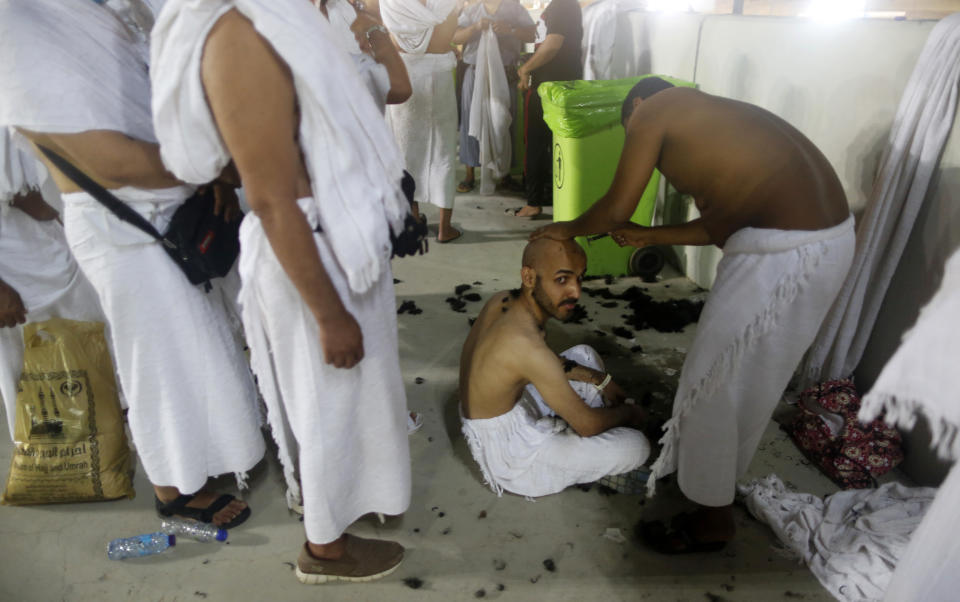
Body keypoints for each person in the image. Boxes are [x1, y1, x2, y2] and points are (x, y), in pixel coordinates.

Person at [531, 78, 855, 552]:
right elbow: (724, 222)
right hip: (819, 243)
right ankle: (714, 486)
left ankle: (712, 519)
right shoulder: (717, 120)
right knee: (740, 379)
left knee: (713, 383)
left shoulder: (653, 110)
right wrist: (650, 237)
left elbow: (617, 206)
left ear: (636, 105)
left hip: (791, 254)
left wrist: (566, 230)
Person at [151, 0, 412, 584]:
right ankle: (326, 550)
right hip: (310, 257)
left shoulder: (279, 17)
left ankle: (349, 506)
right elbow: (271, 199)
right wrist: (329, 314)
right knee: (324, 409)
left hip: (336, 241)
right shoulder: (239, 34)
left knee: (349, 402)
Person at [0, 0, 265, 529]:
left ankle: (206, 457)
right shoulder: (17, 23)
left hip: (168, 206)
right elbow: (108, 159)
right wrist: (231, 165)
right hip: (122, 222)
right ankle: (172, 487)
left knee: (196, 346)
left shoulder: (100, 9)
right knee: (158, 364)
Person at [459, 237, 650, 497]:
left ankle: (580, 443)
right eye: (561, 280)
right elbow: (588, 425)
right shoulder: (528, 347)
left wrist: (601, 380)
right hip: (510, 455)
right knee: (637, 447)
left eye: (579, 278)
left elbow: (539, 364)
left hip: (505, 407)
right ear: (528, 277)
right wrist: (629, 414)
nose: (575, 292)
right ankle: (580, 455)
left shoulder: (502, 300)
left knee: (584, 354)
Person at [0, 128, 109, 440]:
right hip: (13, 271)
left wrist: (46, 213)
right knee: (32, 376)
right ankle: (61, 469)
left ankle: (96, 456)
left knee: (88, 358)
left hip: (34, 244)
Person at [381, 0, 463, 242]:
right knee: (444, 151)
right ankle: (444, 229)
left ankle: (414, 219)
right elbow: (445, 38)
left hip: (404, 76)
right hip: (438, 78)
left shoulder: (391, 3)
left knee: (406, 151)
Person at [452, 0, 535, 193]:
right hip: (475, 73)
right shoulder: (471, 11)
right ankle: (470, 173)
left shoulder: (515, 9)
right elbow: (456, 37)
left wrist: (511, 30)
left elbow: (531, 34)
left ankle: (503, 173)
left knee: (504, 121)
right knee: (471, 121)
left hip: (506, 74)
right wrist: (475, 27)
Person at [513, 0, 582, 218]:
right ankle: (549, 195)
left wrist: (525, 69)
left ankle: (534, 202)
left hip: (552, 87)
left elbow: (553, 45)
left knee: (537, 143)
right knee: (550, 145)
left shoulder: (563, 5)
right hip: (554, 85)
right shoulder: (560, 6)